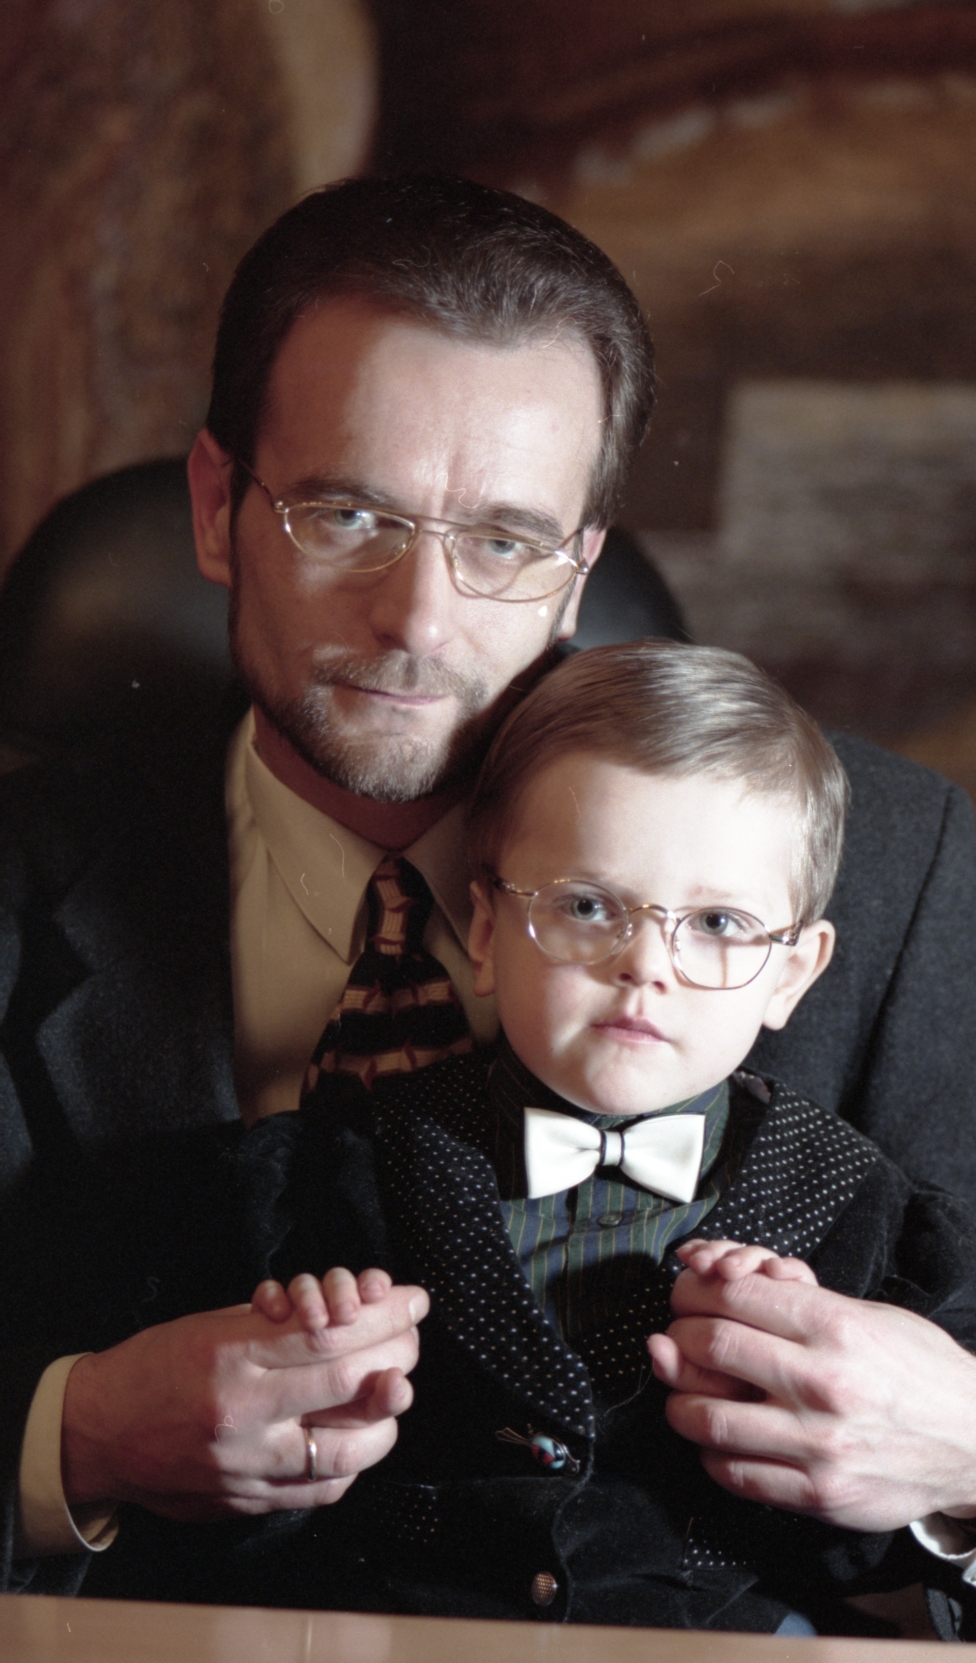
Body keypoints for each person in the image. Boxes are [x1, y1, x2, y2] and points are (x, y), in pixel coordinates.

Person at [1, 173, 976, 1606]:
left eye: (504, 541)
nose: (418, 618)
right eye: (347, 513)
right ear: (217, 508)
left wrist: (965, 1453)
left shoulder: (897, 867)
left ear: (580, 570)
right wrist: (75, 1437)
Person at [179, 639, 975, 1633]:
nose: (646, 964)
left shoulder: (857, 1208)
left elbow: (874, 1537)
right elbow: (228, 1496)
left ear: (791, 974)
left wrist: (794, 1403)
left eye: (718, 924)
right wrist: (306, 1372)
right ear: (483, 931)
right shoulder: (349, 1165)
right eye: (589, 905)